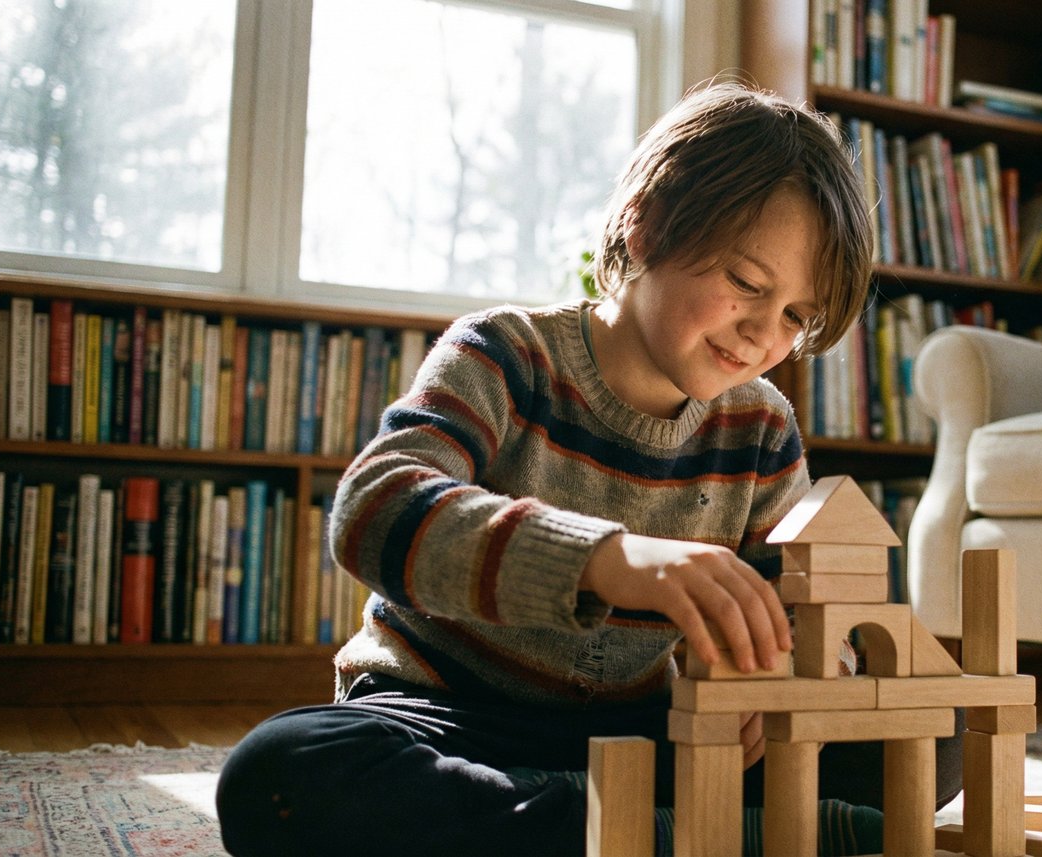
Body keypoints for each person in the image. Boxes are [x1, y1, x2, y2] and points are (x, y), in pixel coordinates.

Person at [216, 81, 959, 857]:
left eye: (796, 317)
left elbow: (804, 607)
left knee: (934, 732)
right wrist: (611, 560)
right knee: (279, 776)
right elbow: (374, 510)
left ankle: (613, 830)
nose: (762, 335)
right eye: (746, 283)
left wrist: (791, 675)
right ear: (647, 223)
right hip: (451, 719)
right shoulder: (503, 355)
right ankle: (687, 835)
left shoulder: (762, 425)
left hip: (643, 735)